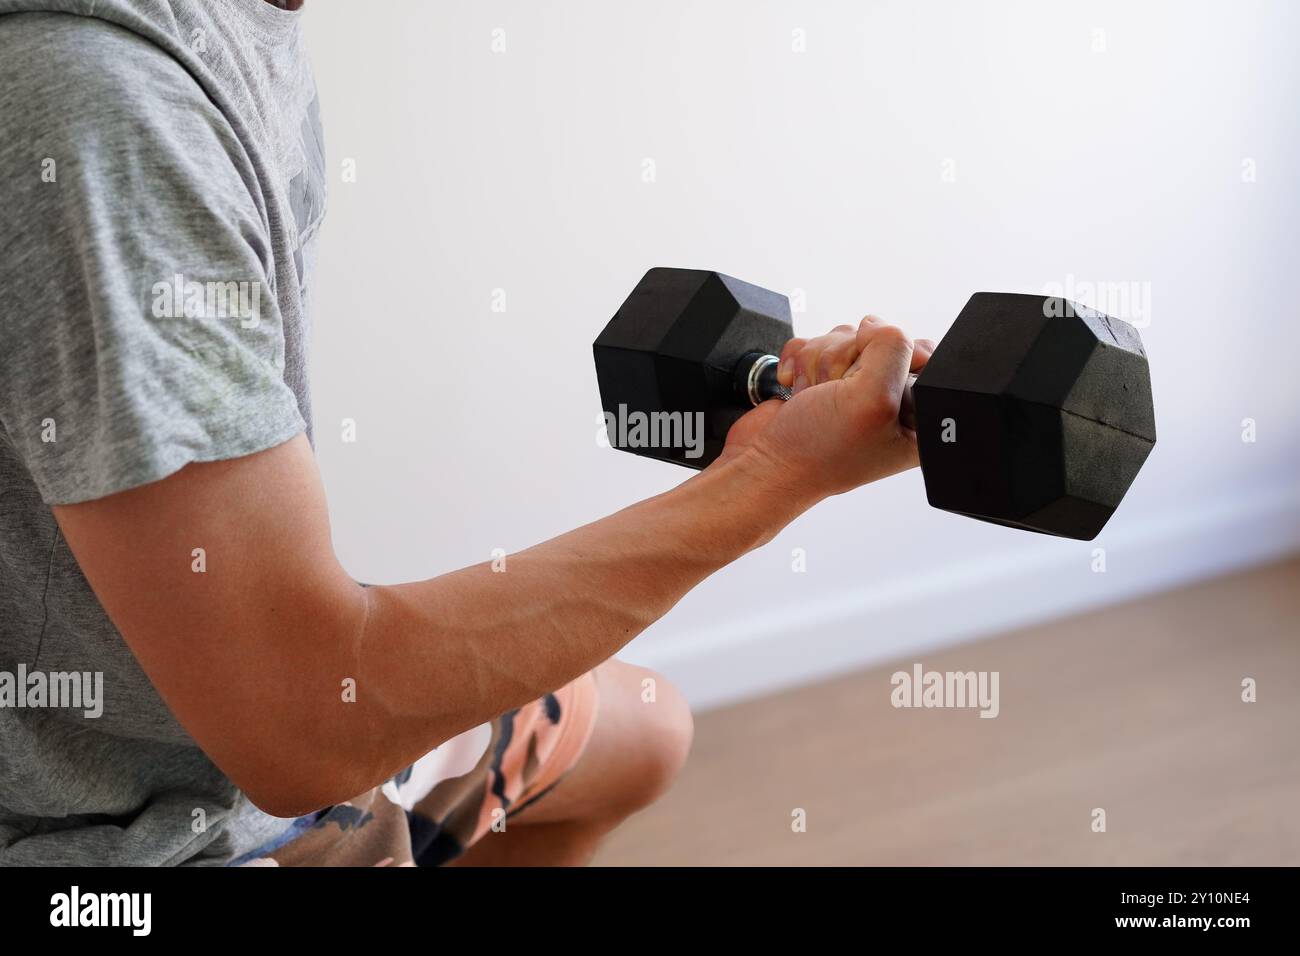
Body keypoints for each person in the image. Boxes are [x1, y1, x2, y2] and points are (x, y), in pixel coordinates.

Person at [0, 0, 931, 866]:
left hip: (217, 723)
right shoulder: (107, 107)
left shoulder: (233, 25)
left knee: (645, 729)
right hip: (117, 840)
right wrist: (770, 476)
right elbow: (307, 727)